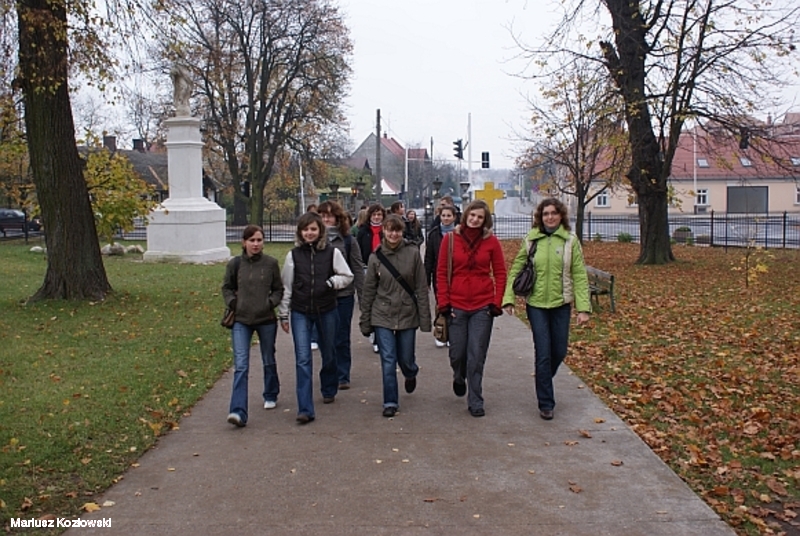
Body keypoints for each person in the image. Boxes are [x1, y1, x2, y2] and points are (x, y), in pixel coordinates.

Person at [502, 198, 591, 421]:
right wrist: (508, 298)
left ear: (561, 215)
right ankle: (546, 403)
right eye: (545, 214)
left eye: (553, 213)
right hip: (536, 304)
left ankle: (543, 378)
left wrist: (583, 308)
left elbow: (579, 275)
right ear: (540, 218)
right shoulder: (531, 240)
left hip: (561, 304)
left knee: (559, 351)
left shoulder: (570, 241)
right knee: (543, 352)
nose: (549, 217)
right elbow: (516, 269)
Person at [279, 212, 354, 424]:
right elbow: (286, 287)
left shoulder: (332, 253)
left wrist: (331, 283)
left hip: (326, 309)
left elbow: (347, 276)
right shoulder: (293, 256)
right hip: (301, 311)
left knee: (329, 352)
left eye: (313, 229)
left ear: (320, 231)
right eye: (305, 229)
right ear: (300, 232)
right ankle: (305, 408)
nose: (309, 233)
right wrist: (283, 314)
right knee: (303, 358)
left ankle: (329, 386)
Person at [436, 199, 506, 418]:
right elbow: (441, 273)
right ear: (465, 215)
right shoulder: (450, 240)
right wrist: (443, 303)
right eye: (472, 215)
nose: (475, 220)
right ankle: (459, 376)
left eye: (480, 217)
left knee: (476, 354)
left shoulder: (491, 242)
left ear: (485, 221)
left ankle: (475, 399)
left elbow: (500, 273)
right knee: (457, 353)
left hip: (482, 306)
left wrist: (496, 302)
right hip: (456, 305)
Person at [360, 215, 431, 417]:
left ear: (402, 232)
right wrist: (365, 320)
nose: (393, 234)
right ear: (384, 230)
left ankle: (410, 372)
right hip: (382, 313)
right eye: (390, 230)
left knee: (405, 358)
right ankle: (390, 401)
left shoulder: (413, 253)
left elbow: (421, 287)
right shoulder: (376, 257)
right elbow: (368, 291)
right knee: (388, 359)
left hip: (407, 312)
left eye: (397, 230)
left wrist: (425, 319)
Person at [221, 225, 284, 427]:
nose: (255, 244)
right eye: (252, 240)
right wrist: (233, 303)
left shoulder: (271, 264)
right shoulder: (235, 264)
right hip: (241, 320)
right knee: (241, 365)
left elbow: (278, 289)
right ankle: (238, 410)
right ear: (244, 242)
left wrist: (270, 303)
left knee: (268, 358)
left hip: (266, 319)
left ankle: (271, 392)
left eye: (259, 240)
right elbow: (227, 287)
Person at [317, 201, 365, 390]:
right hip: (321, 296)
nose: (326, 219)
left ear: (337, 218)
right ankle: (329, 370)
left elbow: (357, 269)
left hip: (343, 295)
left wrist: (363, 298)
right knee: (324, 338)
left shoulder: (348, 241)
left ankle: (342, 374)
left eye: (329, 216)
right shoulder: (313, 239)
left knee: (341, 336)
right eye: (322, 216)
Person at [424, 205, 457, 347]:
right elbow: (429, 258)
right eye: (443, 216)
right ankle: (440, 331)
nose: (446, 218)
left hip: (456, 275)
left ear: (454, 217)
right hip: (439, 275)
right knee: (441, 303)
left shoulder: (459, 233)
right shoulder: (434, 234)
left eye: (449, 216)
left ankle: (452, 334)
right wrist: (426, 279)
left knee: (455, 304)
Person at [356, 203, 386, 353]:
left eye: (379, 214)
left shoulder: (387, 230)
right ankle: (373, 333)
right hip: (367, 268)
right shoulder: (363, 231)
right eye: (374, 214)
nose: (376, 217)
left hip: (386, 268)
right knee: (371, 300)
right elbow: (358, 250)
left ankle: (382, 334)